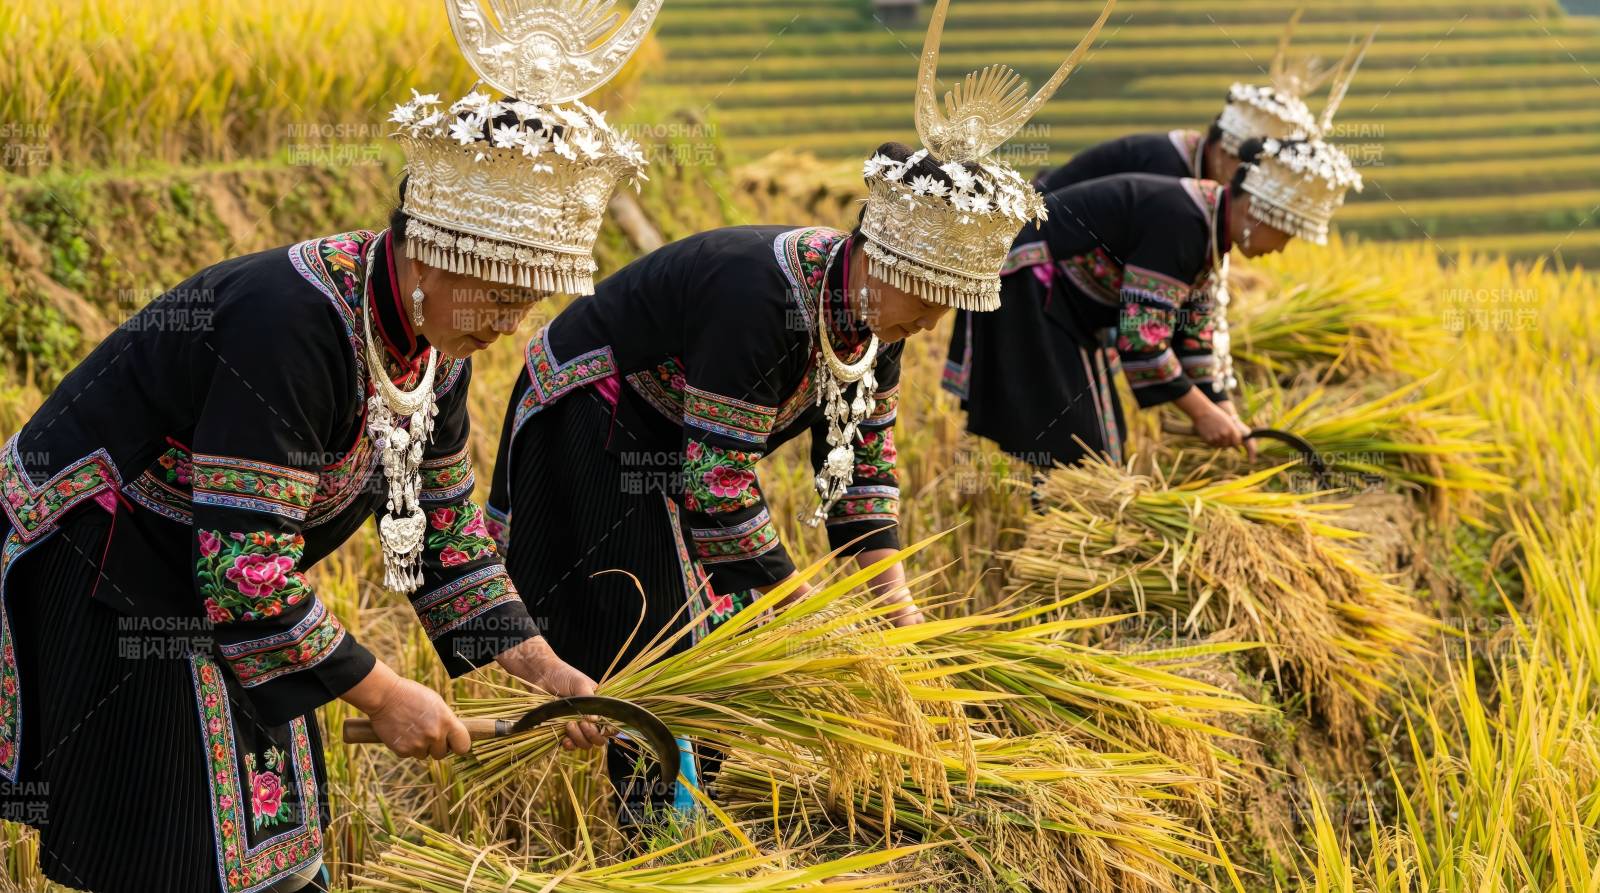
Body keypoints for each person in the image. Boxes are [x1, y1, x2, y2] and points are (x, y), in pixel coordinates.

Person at [0, 0, 661, 889]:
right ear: (431, 243)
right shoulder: (294, 322)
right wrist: (383, 693)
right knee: (188, 848)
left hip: (212, 583)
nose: (509, 325)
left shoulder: (434, 346)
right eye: (496, 295)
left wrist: (551, 674)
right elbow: (242, 568)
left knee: (271, 836)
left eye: (527, 301)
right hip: (112, 562)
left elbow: (443, 533)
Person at [484, 0, 1113, 827]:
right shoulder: (762, 298)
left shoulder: (873, 321)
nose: (931, 323)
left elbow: (862, 475)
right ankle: (662, 842)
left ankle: (676, 822)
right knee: (676, 642)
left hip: (674, 442)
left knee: (718, 633)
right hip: (595, 416)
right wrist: (803, 611)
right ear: (879, 259)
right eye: (929, 297)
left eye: (945, 305)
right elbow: (717, 487)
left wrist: (896, 613)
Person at [946, 137, 1363, 471]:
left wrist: (1224, 410)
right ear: (1258, 214)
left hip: (1064, 302)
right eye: (1286, 233)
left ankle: (1057, 522)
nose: (1284, 248)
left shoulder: (1209, 227)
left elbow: (1195, 332)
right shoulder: (1184, 223)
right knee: (1089, 448)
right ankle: (1057, 535)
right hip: (1030, 286)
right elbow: (1142, 340)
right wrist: (1201, 414)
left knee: (1093, 443)